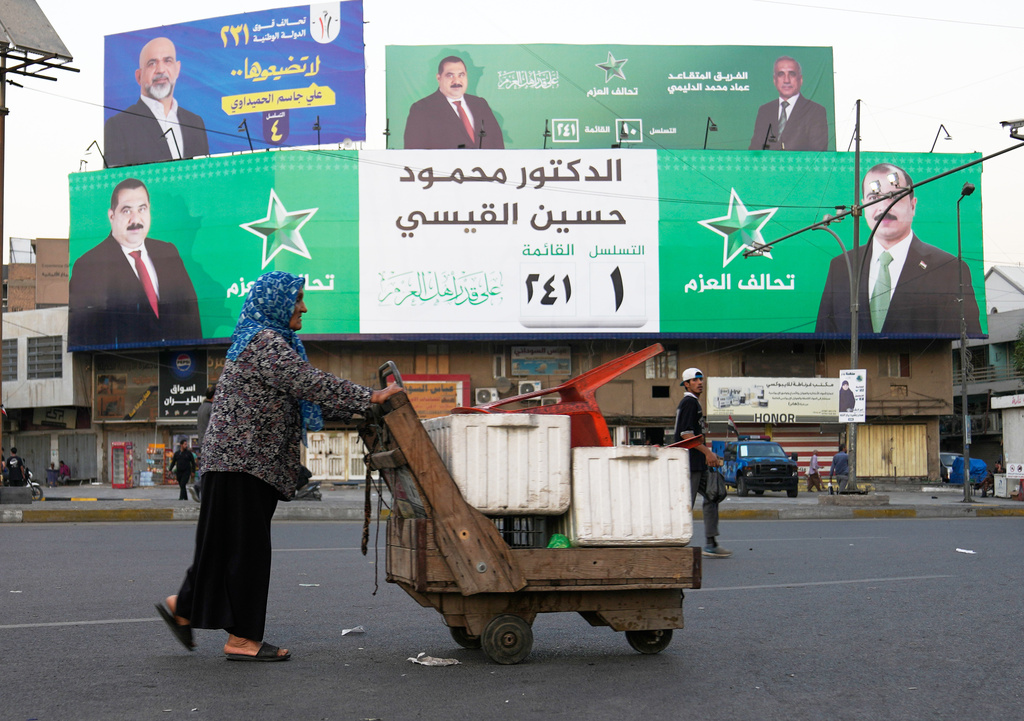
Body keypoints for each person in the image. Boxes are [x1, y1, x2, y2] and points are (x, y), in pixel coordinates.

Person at [156, 271, 402, 661]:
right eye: (297, 299)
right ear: (276, 303)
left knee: (224, 546)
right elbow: (308, 383)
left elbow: (302, 395)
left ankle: (182, 607)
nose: (304, 307)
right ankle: (242, 639)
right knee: (247, 552)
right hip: (244, 463)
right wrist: (370, 397)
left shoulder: (263, 341)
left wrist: (360, 406)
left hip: (236, 463)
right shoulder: (265, 342)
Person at [816, 163, 983, 336]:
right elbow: (822, 338)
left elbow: (968, 338)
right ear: (863, 207)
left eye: (895, 197)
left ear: (913, 206)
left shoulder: (949, 268)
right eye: (874, 198)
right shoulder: (842, 266)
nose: (883, 207)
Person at [68, 178, 202, 348]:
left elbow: (191, 312)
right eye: (126, 211)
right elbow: (84, 334)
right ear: (112, 216)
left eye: (142, 209)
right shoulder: (88, 266)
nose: (135, 219)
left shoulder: (168, 252)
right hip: (125, 362)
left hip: (179, 359)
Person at [104, 37, 209, 168]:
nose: (160, 70)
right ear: (139, 76)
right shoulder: (119, 126)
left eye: (167, 61)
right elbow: (117, 178)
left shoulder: (195, 123)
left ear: (177, 69)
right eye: (152, 63)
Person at [672, 367, 731, 558]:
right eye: (695, 380)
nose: (699, 383)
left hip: (698, 464)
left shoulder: (694, 403)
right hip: (689, 464)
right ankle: (673, 544)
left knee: (713, 495)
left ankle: (711, 543)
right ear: (686, 384)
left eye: (701, 379)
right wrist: (708, 452)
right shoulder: (689, 403)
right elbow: (686, 434)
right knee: (685, 506)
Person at [404, 56, 504, 149]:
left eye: (461, 75)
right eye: (450, 75)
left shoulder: (480, 104)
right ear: (439, 78)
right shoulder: (421, 109)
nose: (456, 81)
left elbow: (497, 143)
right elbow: (414, 152)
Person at [748, 56, 828, 151]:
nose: (786, 80)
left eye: (792, 74)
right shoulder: (765, 110)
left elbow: (818, 153)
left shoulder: (815, 111)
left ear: (800, 79)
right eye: (781, 74)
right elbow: (755, 150)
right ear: (775, 80)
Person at [191, 384, 216, 501]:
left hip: (203, 442)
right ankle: (198, 486)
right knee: (213, 469)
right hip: (211, 443)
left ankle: (204, 492)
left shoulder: (201, 407)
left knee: (207, 468)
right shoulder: (211, 408)